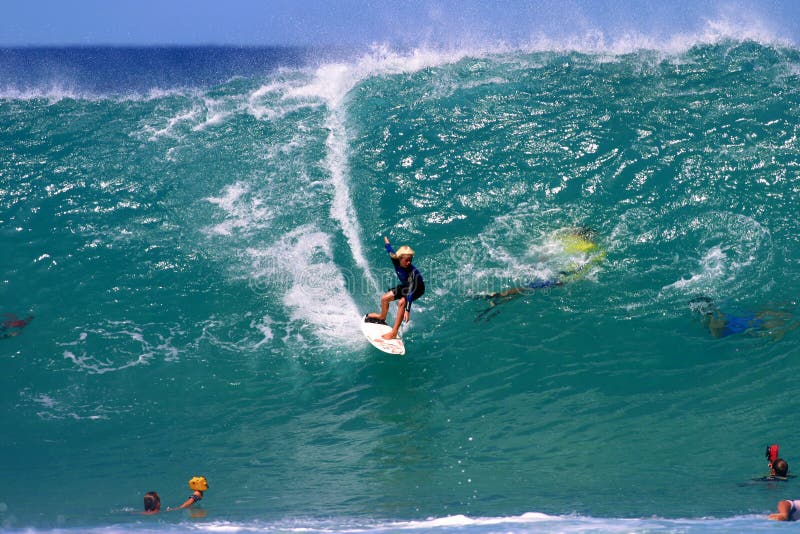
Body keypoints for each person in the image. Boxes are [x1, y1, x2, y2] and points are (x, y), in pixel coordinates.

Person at [474, 226, 604, 321]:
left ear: (577, 234)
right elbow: (587, 267)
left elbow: (548, 251)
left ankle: (497, 301)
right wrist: (568, 280)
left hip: (548, 268)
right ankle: (495, 296)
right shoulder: (593, 248)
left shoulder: (566, 239)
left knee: (529, 288)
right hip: (561, 276)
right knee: (529, 287)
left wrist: (541, 262)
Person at [366, 236, 425, 340]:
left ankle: (394, 332)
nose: (409, 263)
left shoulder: (413, 273)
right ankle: (382, 317)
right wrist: (386, 242)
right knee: (385, 298)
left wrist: (408, 309)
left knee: (402, 302)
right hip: (406, 286)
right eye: (406, 260)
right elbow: (390, 250)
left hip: (417, 289)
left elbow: (411, 292)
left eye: (410, 260)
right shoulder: (395, 259)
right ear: (400, 258)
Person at [689, 297, 798, 339]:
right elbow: (715, 331)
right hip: (742, 322)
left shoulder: (722, 325)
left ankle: (708, 310)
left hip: (742, 321)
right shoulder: (719, 328)